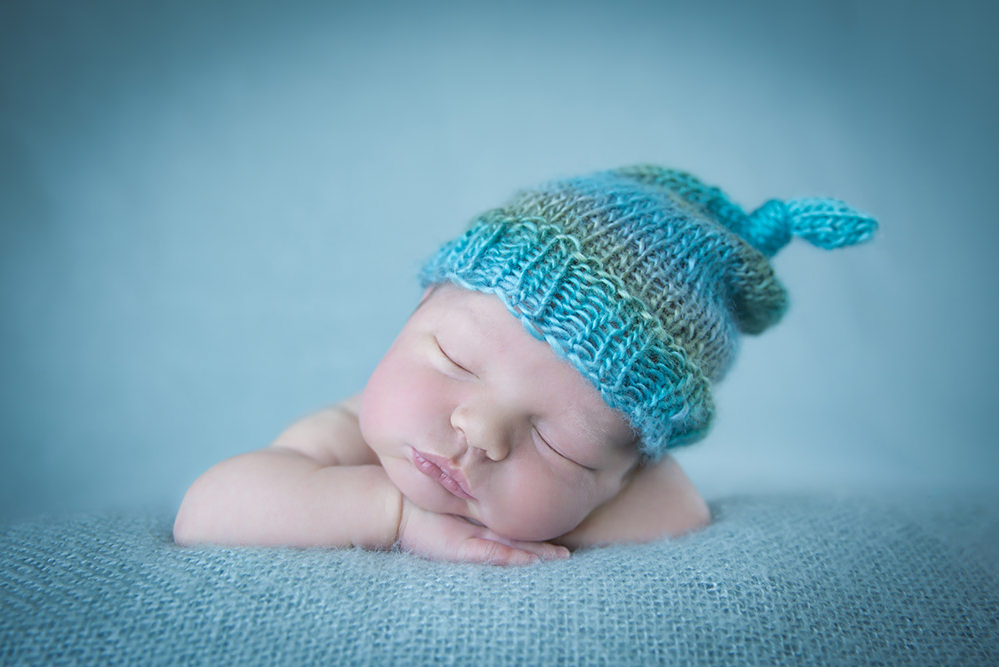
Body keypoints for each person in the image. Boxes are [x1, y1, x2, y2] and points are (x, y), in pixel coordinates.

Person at [173, 165, 877, 565]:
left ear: (623, 472)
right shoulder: (347, 431)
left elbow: (681, 505)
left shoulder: (624, 478)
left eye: (559, 441)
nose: (480, 428)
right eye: (455, 357)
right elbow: (208, 509)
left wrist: (538, 511)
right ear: (419, 307)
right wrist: (396, 514)